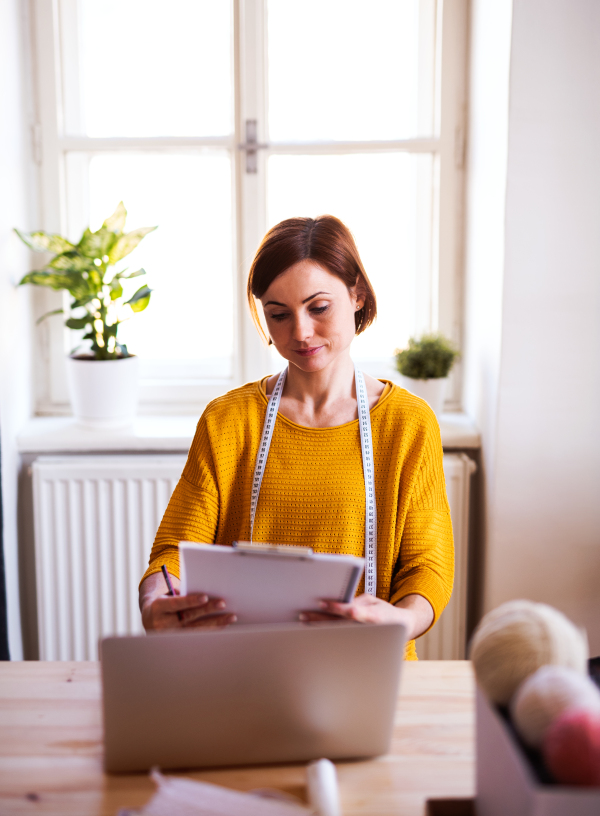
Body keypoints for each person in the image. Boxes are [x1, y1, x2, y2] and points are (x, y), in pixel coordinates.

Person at [139, 215, 453, 659]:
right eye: (278, 314)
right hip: (244, 668)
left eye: (318, 308)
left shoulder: (408, 424)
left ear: (357, 293)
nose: (300, 332)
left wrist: (399, 621)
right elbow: (174, 550)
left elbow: (427, 569)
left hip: (366, 665)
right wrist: (155, 601)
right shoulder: (227, 421)